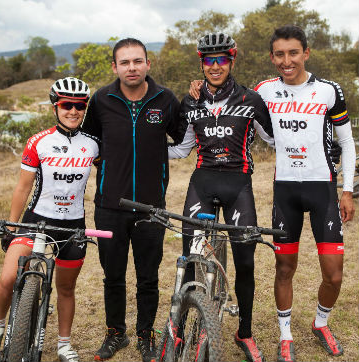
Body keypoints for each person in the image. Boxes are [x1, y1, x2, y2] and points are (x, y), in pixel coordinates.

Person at [169, 32, 275, 362]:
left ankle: (244, 332)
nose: (215, 67)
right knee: (190, 258)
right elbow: (183, 148)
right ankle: (180, 329)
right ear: (201, 64)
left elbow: (275, 140)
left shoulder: (251, 99)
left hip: (238, 186)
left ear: (231, 61)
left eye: (221, 60)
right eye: (208, 61)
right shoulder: (191, 102)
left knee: (245, 261)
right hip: (202, 182)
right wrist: (139, 148)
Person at [253, 25, 356, 362]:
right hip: (285, 190)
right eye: (280, 54)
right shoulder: (264, 90)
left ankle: (321, 322)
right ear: (272, 57)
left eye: (293, 53)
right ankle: (285, 335)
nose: (287, 60)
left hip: (322, 188)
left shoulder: (328, 91)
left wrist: (348, 189)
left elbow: (347, 142)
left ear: (306, 53)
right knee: (284, 268)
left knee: (334, 273)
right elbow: (237, 108)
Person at [81, 38, 182, 362]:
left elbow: (183, 137)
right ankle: (115, 334)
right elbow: (90, 142)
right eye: (124, 62)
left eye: (137, 61)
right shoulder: (101, 100)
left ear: (148, 64)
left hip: (152, 207)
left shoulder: (165, 99)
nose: (132, 67)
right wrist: (108, 166)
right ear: (115, 67)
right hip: (109, 206)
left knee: (148, 277)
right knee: (113, 275)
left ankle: (145, 334)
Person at [0, 77, 99, 362]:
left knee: (65, 288)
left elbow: (115, 176)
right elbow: (23, 187)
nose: (73, 111)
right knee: (8, 277)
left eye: (79, 106)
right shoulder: (39, 141)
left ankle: (63, 344)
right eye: (66, 105)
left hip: (73, 225)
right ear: (55, 107)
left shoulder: (93, 145)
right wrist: (12, 226)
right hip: (35, 220)